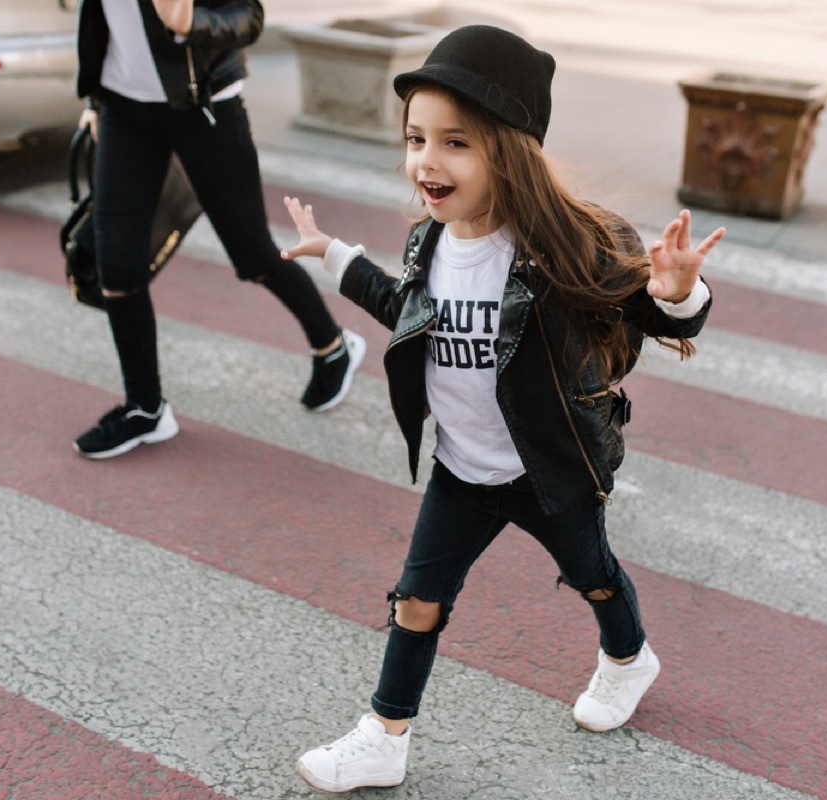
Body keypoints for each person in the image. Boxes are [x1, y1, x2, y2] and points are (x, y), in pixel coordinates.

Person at [279, 24, 725, 793]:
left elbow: (657, 316)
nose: (426, 159)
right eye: (417, 137)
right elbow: (404, 307)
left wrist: (677, 289)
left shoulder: (564, 247)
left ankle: (628, 659)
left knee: (594, 577)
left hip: (546, 469)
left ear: (508, 151)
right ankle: (384, 735)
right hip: (462, 468)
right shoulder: (430, 242)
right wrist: (335, 255)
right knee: (417, 598)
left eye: (456, 142)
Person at [71, 0, 365, 459]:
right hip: (123, 108)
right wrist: (94, 100)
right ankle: (145, 408)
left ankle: (333, 346)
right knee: (117, 267)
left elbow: (249, 16)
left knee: (253, 255)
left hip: (204, 104)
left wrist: (190, 23)